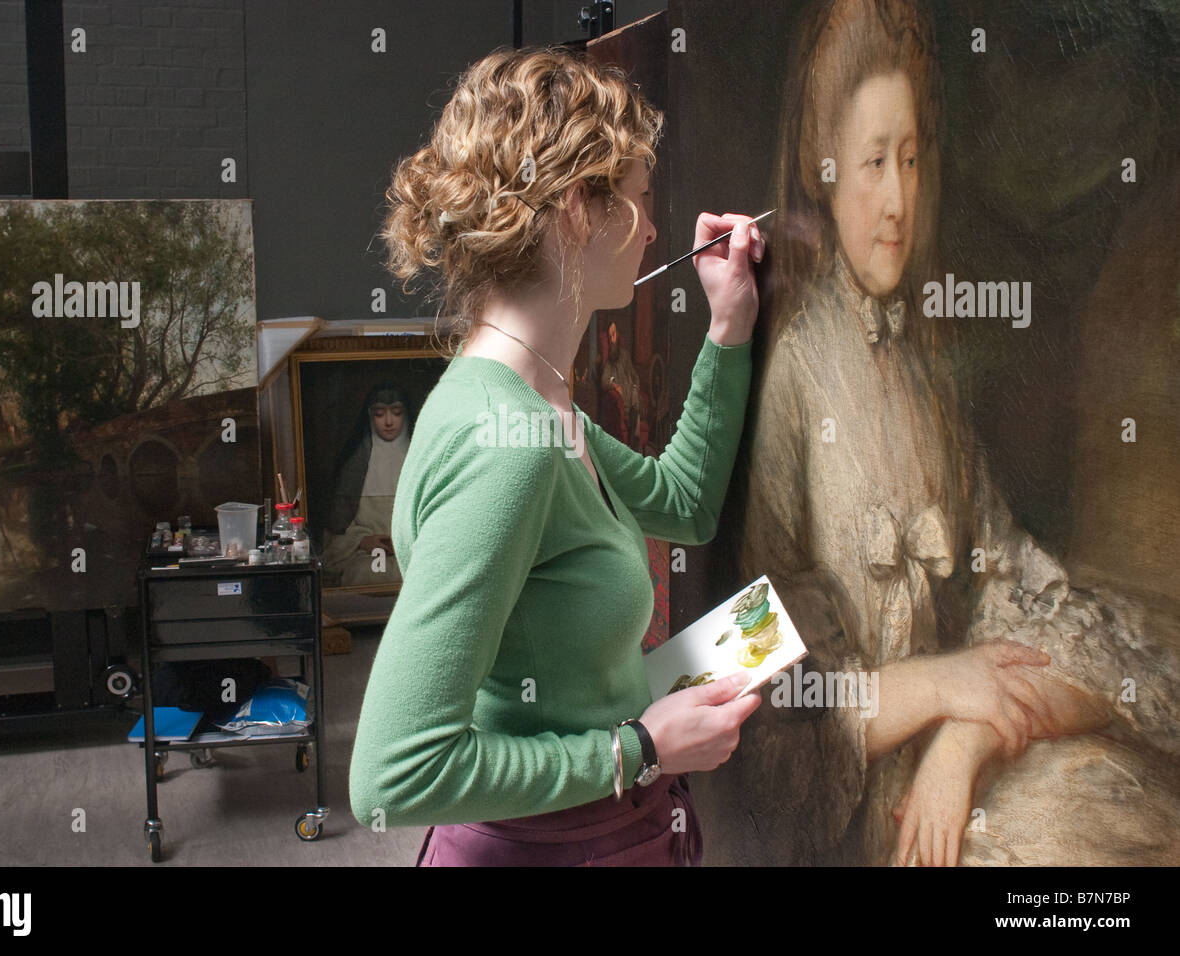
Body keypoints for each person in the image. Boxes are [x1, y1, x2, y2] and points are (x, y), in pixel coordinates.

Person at [698, 0, 1180, 867]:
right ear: (824, 166)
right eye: (875, 162)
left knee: (1132, 814)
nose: (898, 200)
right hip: (864, 822)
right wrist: (935, 685)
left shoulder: (921, 365)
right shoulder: (789, 376)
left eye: (912, 160)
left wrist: (964, 739)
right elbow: (737, 678)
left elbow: (1019, 594)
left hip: (957, 773)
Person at [348, 45, 768, 866]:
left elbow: (683, 502)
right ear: (581, 207)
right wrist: (641, 750)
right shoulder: (507, 449)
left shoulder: (532, 402)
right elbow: (391, 777)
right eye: (642, 200)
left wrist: (730, 326)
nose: (653, 229)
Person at [320, 382, 412, 586]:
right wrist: (363, 541)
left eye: (396, 412)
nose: (389, 421)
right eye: (380, 414)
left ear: (405, 415)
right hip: (365, 555)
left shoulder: (420, 461)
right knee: (366, 574)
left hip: (412, 554)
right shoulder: (353, 468)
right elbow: (336, 530)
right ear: (370, 417)